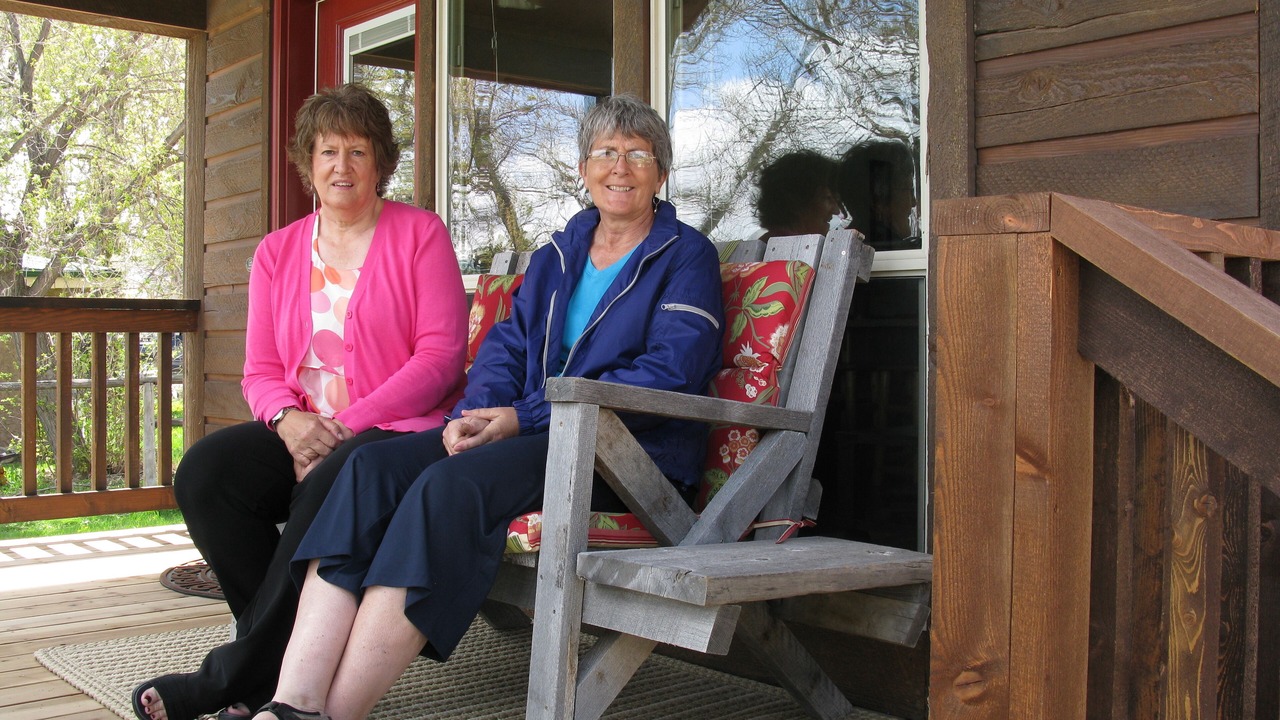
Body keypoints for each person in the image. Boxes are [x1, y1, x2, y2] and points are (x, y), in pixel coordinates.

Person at [244, 94, 724, 720]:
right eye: (606, 152)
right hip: (531, 436)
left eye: (640, 155)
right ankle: (293, 699)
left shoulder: (685, 256)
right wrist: (477, 414)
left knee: (448, 487)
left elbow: (672, 373)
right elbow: (505, 347)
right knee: (369, 470)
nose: (621, 167)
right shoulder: (559, 255)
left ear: (661, 172)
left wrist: (523, 417)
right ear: (583, 168)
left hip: (625, 459)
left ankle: (334, 714)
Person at [132, 84, 468, 720]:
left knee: (333, 479)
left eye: (358, 151)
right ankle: (273, 663)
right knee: (207, 475)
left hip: (395, 430)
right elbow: (260, 371)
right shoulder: (277, 251)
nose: (342, 166)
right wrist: (290, 424)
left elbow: (440, 359)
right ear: (307, 163)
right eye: (328, 151)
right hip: (304, 427)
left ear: (382, 163)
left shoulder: (419, 234)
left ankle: (233, 675)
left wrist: (339, 428)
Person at [837, 138, 919, 250]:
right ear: (879, 200)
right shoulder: (896, 254)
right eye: (909, 190)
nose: (914, 202)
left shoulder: (842, 246)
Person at [754, 149, 843, 239]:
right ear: (797, 202)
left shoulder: (766, 246)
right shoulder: (787, 249)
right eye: (827, 198)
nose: (836, 211)